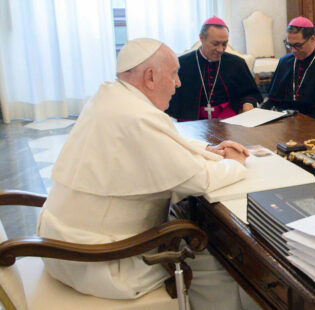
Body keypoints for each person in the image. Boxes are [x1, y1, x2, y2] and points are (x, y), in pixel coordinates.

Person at [38, 38, 255, 310]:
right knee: (216, 258)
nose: (178, 83)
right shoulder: (136, 117)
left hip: (63, 245)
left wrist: (210, 149)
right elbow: (200, 180)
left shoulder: (112, 98)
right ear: (151, 76)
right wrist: (235, 163)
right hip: (100, 260)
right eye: (174, 74)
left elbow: (164, 142)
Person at [166, 16, 262, 121]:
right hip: (192, 121)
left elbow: (250, 92)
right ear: (202, 38)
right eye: (215, 44)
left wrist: (248, 103)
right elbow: (171, 98)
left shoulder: (236, 63)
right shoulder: (182, 64)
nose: (220, 49)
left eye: (224, 44)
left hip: (229, 121)